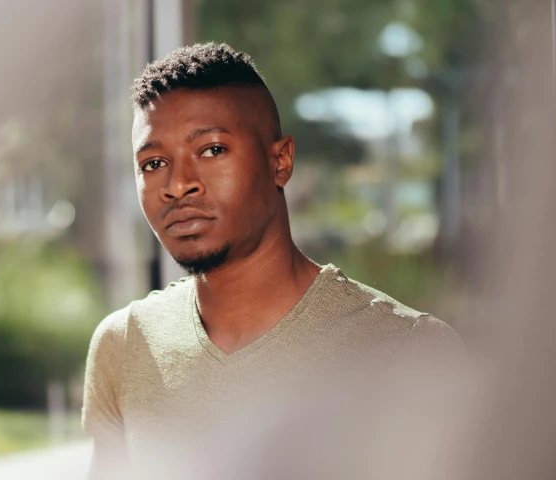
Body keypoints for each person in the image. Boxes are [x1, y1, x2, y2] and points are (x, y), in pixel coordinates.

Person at [82, 42, 462, 479]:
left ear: (280, 161)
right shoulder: (124, 345)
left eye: (212, 150)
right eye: (153, 163)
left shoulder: (408, 349)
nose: (178, 184)